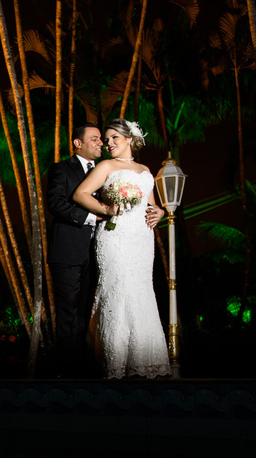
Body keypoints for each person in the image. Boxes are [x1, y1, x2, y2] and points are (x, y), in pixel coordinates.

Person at [47, 123, 162, 376]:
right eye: (99, 138)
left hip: (135, 241)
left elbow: (150, 202)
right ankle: (75, 373)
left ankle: (136, 360)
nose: (104, 143)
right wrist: (104, 211)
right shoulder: (83, 168)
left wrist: (161, 211)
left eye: (110, 138)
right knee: (75, 310)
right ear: (78, 142)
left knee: (104, 303)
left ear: (130, 139)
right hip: (86, 245)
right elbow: (63, 200)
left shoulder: (142, 170)